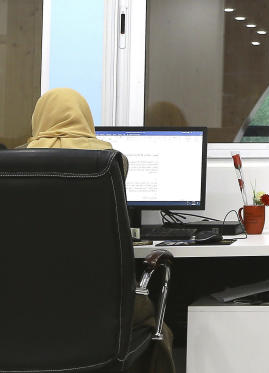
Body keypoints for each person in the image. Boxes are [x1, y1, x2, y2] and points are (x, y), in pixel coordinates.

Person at [21, 88, 175, 373]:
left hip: (24, 312)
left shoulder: (15, 165)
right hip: (99, 314)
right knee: (157, 324)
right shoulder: (109, 161)